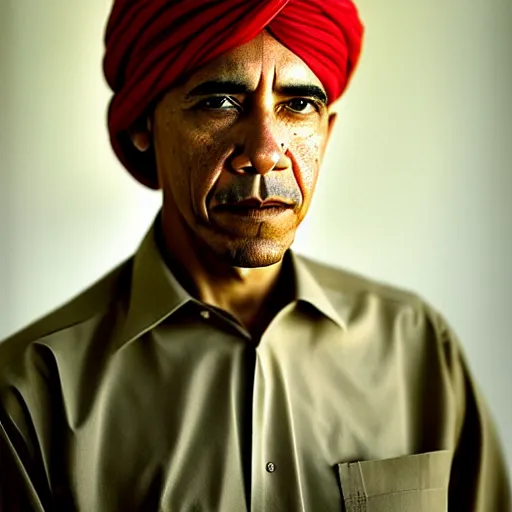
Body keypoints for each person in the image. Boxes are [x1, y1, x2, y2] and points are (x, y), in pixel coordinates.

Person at [0, 0, 510, 510]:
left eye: (298, 105)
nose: (266, 151)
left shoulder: (416, 348)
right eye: (220, 102)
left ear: (327, 134)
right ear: (144, 126)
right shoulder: (32, 393)